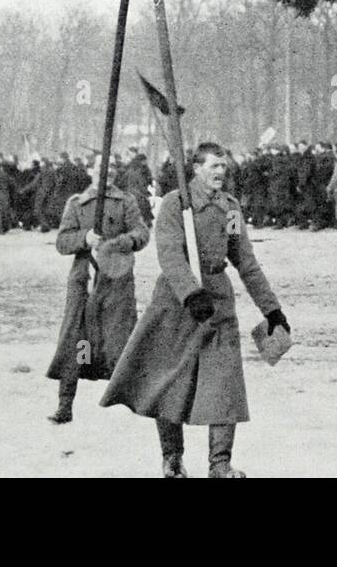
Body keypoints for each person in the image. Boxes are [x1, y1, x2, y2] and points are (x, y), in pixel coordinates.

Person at [101, 142, 289, 479]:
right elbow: (170, 254)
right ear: (197, 169)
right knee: (169, 383)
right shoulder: (175, 204)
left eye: (223, 166)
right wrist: (190, 293)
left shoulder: (231, 209)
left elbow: (245, 261)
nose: (221, 172)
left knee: (226, 384)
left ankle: (220, 465)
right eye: (214, 166)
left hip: (218, 305)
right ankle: (172, 459)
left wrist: (272, 310)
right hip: (176, 304)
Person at [45, 156, 149, 425]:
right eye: (101, 169)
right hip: (85, 280)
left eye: (112, 169)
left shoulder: (126, 201)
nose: (107, 174)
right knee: (76, 340)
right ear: (91, 171)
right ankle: (65, 404)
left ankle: (134, 400)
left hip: (117, 278)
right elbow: (62, 241)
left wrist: (122, 242)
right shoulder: (76, 203)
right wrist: (85, 239)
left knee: (120, 337)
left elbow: (142, 232)